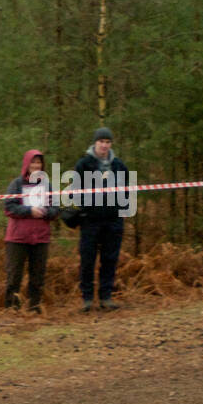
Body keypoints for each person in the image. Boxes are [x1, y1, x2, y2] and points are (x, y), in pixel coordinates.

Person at [72, 127, 130, 312]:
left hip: (113, 220)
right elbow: (75, 191)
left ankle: (106, 297)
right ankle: (87, 299)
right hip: (90, 221)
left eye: (107, 142)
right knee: (88, 259)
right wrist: (84, 211)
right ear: (95, 143)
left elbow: (126, 191)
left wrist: (121, 211)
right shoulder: (83, 164)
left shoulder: (119, 165)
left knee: (110, 259)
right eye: (101, 141)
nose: (104, 145)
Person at [2, 149, 58, 314]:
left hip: (40, 237)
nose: (36, 165)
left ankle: (34, 308)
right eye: (33, 162)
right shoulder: (16, 184)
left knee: (38, 276)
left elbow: (56, 208)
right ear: (27, 164)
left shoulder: (47, 185)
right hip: (17, 237)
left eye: (39, 162)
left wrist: (46, 212)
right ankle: (12, 308)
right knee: (14, 276)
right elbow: (9, 207)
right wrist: (29, 210)